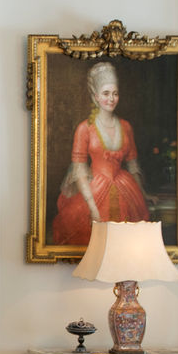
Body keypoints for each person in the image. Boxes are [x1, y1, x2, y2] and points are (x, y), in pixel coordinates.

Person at [52, 60, 151, 246]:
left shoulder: (126, 126)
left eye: (115, 94)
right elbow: (79, 170)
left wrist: (142, 194)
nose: (111, 99)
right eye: (106, 94)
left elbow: (132, 164)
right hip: (93, 189)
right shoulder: (84, 128)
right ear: (96, 96)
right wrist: (92, 207)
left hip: (125, 189)